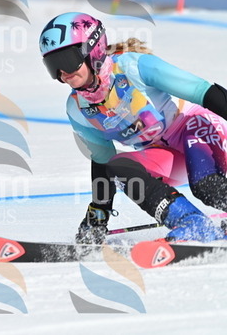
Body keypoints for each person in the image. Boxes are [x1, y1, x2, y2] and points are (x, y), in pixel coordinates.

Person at [38, 12, 227, 243]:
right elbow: (102, 162)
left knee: (206, 186)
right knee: (120, 167)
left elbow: (204, 92)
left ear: (93, 49)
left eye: (67, 60)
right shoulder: (78, 109)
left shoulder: (134, 66)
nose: (63, 72)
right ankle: (191, 223)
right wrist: (99, 212)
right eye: (53, 65)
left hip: (196, 127)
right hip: (165, 153)